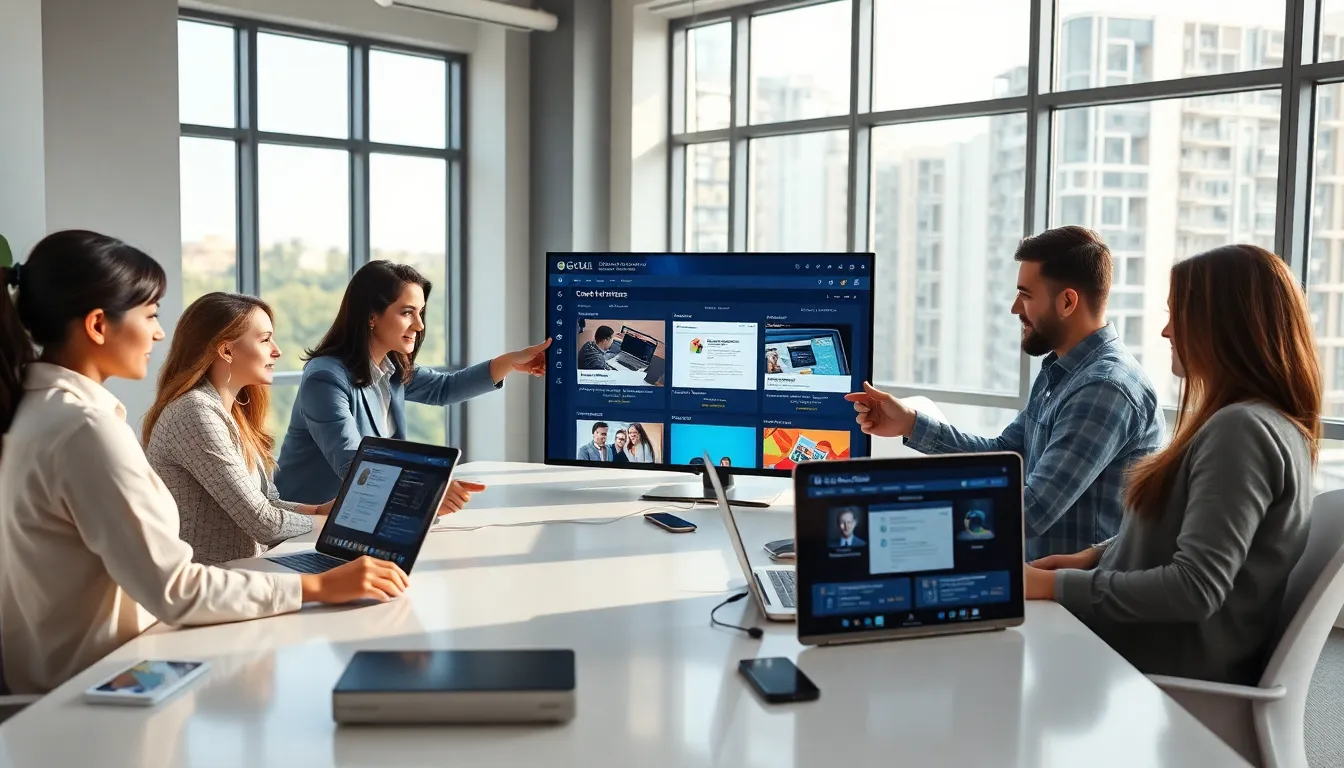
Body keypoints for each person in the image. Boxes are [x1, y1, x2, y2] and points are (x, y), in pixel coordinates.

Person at [0, 231, 408, 694]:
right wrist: (318, 588)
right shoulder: (84, 429)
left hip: (73, 677)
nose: (158, 332)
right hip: (98, 687)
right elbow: (175, 589)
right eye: (150, 315)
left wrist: (318, 519)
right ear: (97, 325)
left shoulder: (37, 412)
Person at [1025, 244, 1321, 684]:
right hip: (1131, 650)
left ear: (1222, 325)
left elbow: (1195, 587)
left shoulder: (1241, 431)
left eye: (1176, 315)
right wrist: (1090, 557)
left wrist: (1055, 587)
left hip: (1150, 672)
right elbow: (1182, 531)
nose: (1166, 332)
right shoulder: (1256, 423)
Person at [846, 226, 1163, 559]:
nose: (1015, 308)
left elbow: (1031, 511)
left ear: (1067, 301)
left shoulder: (1103, 388)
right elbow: (1006, 456)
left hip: (1073, 605)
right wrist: (909, 424)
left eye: (1025, 295)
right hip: (1039, 586)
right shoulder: (1064, 370)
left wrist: (892, 523)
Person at [274, 261, 549, 504]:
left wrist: (510, 362)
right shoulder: (325, 378)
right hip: (305, 527)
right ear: (372, 315)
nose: (419, 325)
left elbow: (445, 388)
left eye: (420, 312)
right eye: (407, 312)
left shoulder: (390, 369)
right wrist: (427, 490)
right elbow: (354, 464)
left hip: (362, 513)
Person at [143, 293, 331, 566]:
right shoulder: (194, 413)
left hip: (244, 573)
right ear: (227, 351)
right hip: (208, 584)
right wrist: (330, 524)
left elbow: (266, 502)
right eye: (265, 339)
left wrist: (317, 510)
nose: (276, 350)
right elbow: (262, 522)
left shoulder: (232, 413)